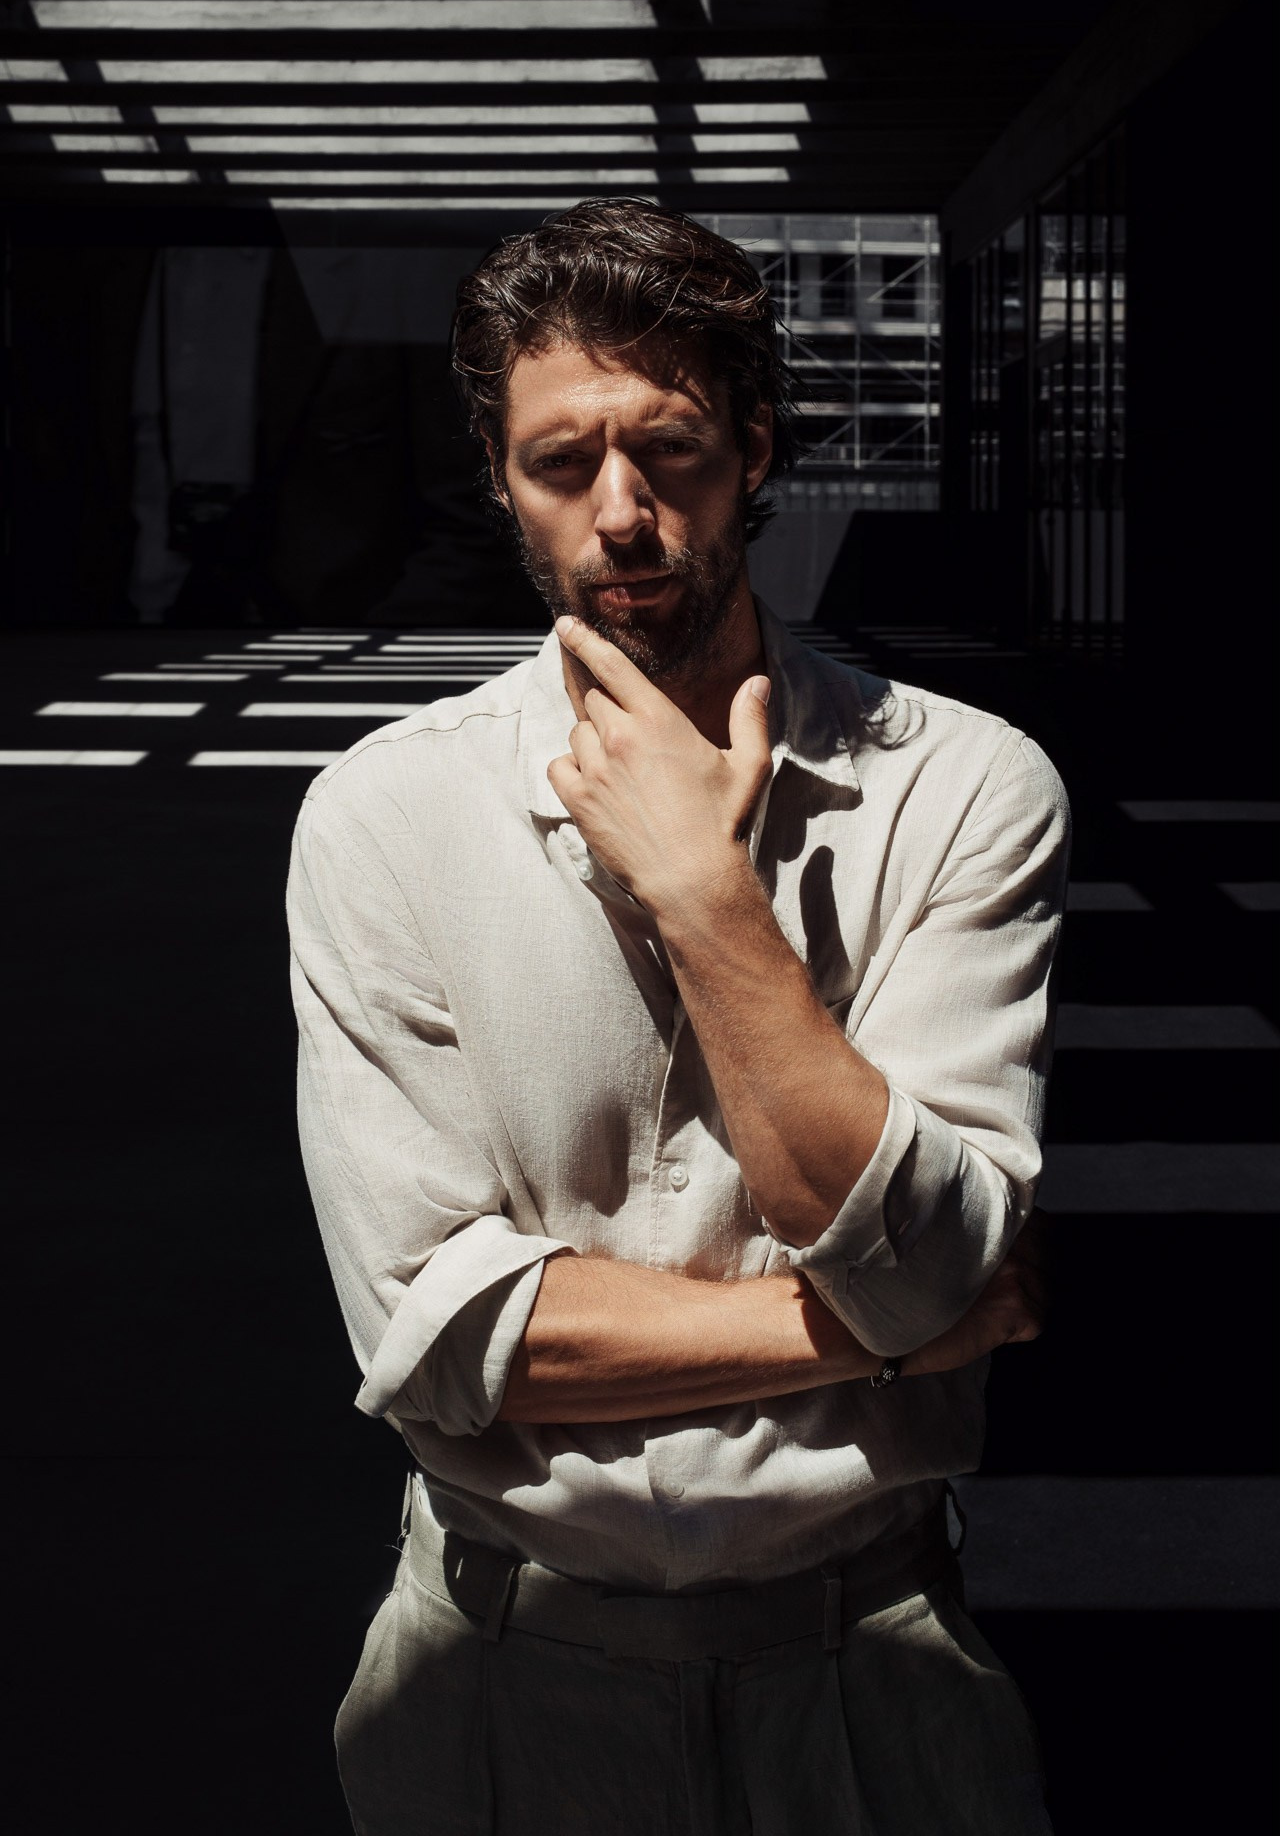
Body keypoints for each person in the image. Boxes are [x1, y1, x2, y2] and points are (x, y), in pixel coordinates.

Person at [285, 197, 1070, 1835]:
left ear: (755, 448)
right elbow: (439, 1341)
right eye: (561, 462)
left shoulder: (964, 788)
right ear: (500, 477)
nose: (622, 514)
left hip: (869, 1671)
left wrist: (710, 899)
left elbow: (928, 1254)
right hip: (496, 1677)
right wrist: (874, 1334)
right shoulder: (384, 817)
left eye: (672, 450)